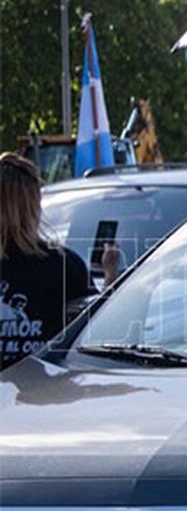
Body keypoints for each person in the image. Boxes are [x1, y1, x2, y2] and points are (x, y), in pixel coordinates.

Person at [0, 152, 119, 371]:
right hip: (45, 396)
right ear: (33, 205)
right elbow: (98, 329)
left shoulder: (63, 265)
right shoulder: (61, 265)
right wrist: (111, 276)